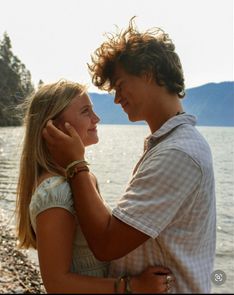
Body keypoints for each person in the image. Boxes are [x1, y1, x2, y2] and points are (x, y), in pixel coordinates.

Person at [43, 18, 216, 293]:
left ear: (147, 73)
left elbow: (106, 244)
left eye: (120, 85)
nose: (116, 99)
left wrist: (76, 164)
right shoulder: (169, 145)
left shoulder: (178, 153)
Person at [15, 79, 174, 294]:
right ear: (55, 126)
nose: (96, 118)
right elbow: (57, 284)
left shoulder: (79, 179)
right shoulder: (55, 192)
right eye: (85, 111)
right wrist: (131, 286)